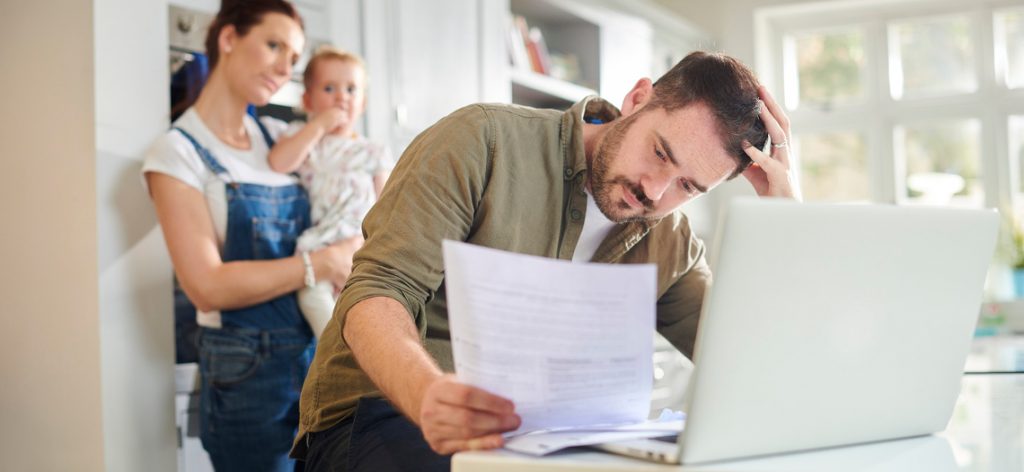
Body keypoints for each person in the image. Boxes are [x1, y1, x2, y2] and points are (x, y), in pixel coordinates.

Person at [293, 51, 799, 471]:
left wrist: (785, 223)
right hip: (383, 413)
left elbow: (748, 361)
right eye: (660, 153)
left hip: (546, 441)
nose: (654, 190)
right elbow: (377, 290)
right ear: (638, 99)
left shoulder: (670, 238)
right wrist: (427, 394)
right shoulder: (483, 141)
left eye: (688, 186)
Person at [141, 0, 359, 469]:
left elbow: (351, 195)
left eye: (295, 58)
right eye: (274, 45)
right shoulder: (177, 154)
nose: (286, 67)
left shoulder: (280, 138)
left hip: (315, 361)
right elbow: (206, 286)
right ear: (228, 39)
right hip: (245, 379)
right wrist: (320, 264)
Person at [269, 46, 394, 339]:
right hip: (320, 247)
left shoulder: (372, 151)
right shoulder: (302, 139)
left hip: (360, 248)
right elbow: (278, 162)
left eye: (352, 89)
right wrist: (319, 125)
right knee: (312, 298)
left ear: (362, 103)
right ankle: (334, 353)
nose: (342, 97)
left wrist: (369, 253)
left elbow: (386, 208)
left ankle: (362, 353)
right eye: (329, 88)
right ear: (307, 100)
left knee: (370, 308)